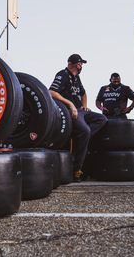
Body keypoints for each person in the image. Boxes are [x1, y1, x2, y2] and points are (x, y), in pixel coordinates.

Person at [49, 54, 107, 182]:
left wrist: (84, 106)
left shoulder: (77, 78)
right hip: (69, 111)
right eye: (81, 64)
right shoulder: (62, 74)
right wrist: (70, 104)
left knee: (102, 119)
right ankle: (77, 170)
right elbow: (51, 92)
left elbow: (83, 93)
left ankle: (78, 139)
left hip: (80, 110)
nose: (81, 67)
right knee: (85, 131)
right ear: (77, 64)